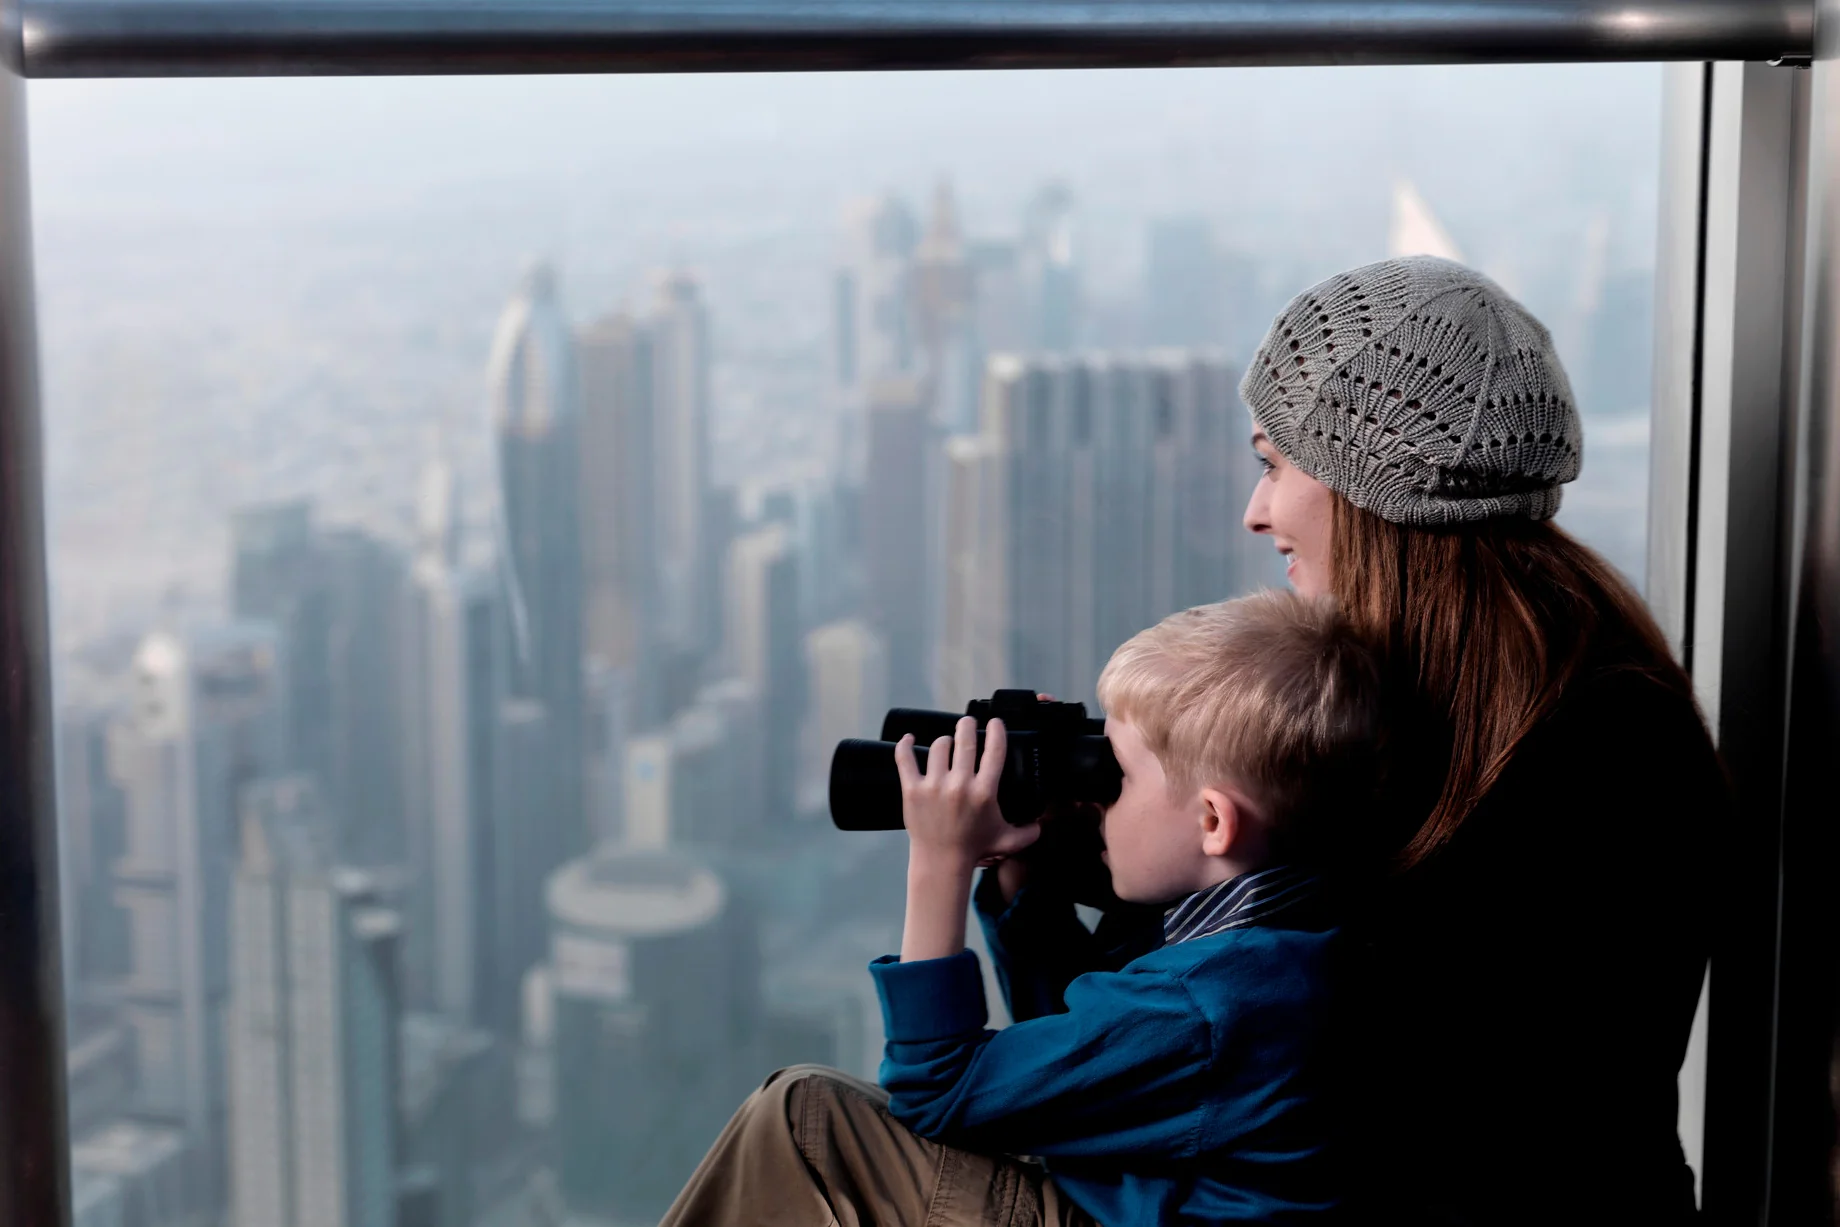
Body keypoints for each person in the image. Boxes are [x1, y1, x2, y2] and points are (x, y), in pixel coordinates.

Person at [1238, 254, 1723, 1223]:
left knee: (832, 1120)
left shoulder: (1567, 756)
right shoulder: (1581, 699)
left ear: (1363, 479)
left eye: (1272, 464)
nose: (1258, 512)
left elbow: (1296, 1088)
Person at [660, 590, 1383, 1226]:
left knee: (806, 1116)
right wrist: (1021, 869)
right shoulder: (1283, 933)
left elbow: (938, 1090)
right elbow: (1074, 1057)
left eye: (1118, 774)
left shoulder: (1209, 1004)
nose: (1097, 795)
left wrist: (939, 860)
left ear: (1213, 823)